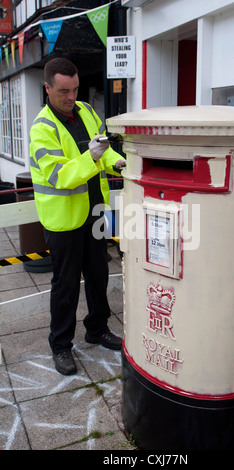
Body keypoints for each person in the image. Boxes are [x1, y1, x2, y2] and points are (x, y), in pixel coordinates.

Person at [30, 57, 126, 375]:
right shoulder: (42, 129)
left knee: (99, 275)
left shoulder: (86, 110)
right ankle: (61, 346)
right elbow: (60, 175)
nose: (71, 97)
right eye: (63, 91)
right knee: (66, 285)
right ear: (48, 88)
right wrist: (92, 156)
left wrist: (117, 163)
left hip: (96, 211)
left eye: (74, 89)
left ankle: (97, 329)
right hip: (64, 220)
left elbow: (105, 147)